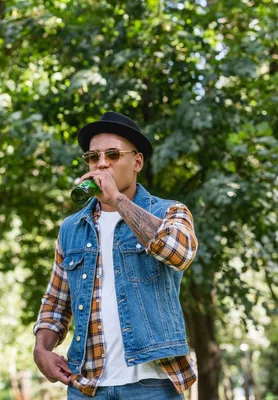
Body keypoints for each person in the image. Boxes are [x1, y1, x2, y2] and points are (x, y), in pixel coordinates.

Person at [33, 111, 198, 399]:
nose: (101, 163)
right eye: (93, 157)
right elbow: (56, 303)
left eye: (112, 154)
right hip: (87, 386)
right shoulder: (72, 228)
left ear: (137, 162)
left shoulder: (170, 212)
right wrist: (40, 350)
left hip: (153, 385)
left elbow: (179, 253)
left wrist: (118, 201)